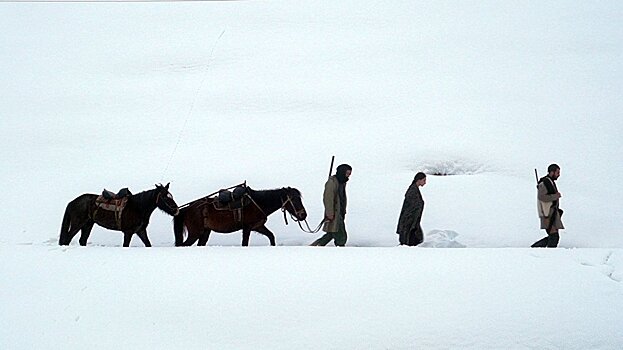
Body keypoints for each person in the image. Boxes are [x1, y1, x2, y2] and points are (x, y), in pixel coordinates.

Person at [310, 164, 352, 247]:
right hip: (334, 213)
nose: (348, 176)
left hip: (340, 212)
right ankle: (340, 249)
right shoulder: (332, 182)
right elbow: (328, 198)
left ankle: (317, 245)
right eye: (347, 173)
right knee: (341, 236)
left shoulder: (342, 182)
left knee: (332, 232)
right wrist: (329, 213)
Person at [532, 164, 564, 248]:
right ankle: (544, 252)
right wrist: (555, 196)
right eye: (557, 173)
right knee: (554, 236)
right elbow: (542, 197)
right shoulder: (544, 183)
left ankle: (535, 248)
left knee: (553, 236)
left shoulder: (550, 182)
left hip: (552, 213)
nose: (559, 175)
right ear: (552, 172)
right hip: (547, 214)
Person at [396, 172, 427, 246]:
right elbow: (412, 207)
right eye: (424, 180)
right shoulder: (412, 191)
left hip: (413, 222)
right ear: (418, 180)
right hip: (409, 222)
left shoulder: (414, 189)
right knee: (411, 240)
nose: (425, 182)